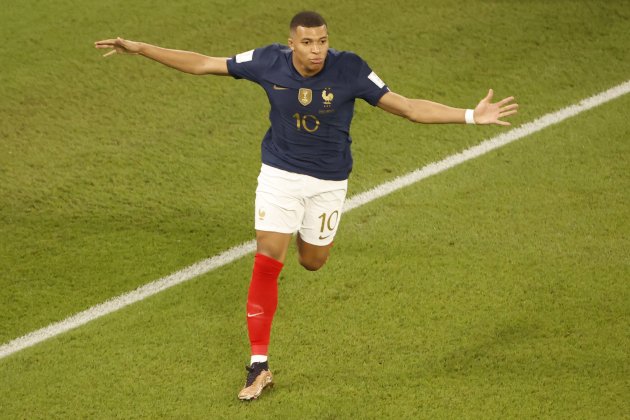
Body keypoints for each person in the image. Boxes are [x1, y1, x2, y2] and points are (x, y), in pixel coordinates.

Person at [95, 10, 518, 401]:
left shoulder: (349, 68)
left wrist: (469, 116)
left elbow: (406, 107)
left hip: (328, 183)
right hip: (279, 175)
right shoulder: (266, 61)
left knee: (313, 261)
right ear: (291, 43)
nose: (317, 50)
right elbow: (204, 62)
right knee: (266, 257)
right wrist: (140, 48)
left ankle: (299, 231)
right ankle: (258, 365)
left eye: (322, 41)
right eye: (308, 42)